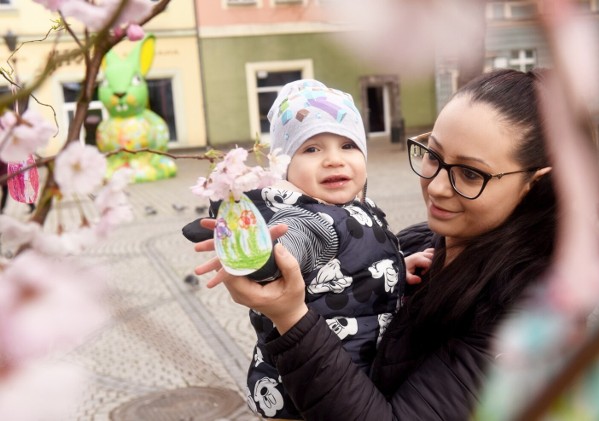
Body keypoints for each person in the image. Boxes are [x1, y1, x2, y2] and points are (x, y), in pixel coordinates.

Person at [193, 68, 558, 419]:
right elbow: (309, 242)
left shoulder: (525, 314)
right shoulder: (422, 241)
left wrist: (290, 318)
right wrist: (397, 267)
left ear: (535, 182)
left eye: (470, 173)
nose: (435, 187)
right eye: (433, 155)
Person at [183, 79, 433, 419]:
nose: (333, 160)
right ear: (286, 168)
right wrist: (261, 254)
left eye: (347, 146)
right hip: (311, 385)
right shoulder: (307, 216)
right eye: (312, 149)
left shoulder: (357, 207)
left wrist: (399, 265)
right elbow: (295, 243)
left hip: (351, 372)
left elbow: (351, 265)